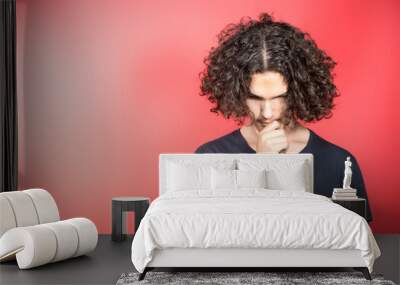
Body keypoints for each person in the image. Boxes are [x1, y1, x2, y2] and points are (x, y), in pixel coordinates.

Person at [194, 12, 372, 222]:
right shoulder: (209, 158)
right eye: (255, 98)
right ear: (236, 92)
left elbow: (357, 245)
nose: (268, 113)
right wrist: (260, 165)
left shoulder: (339, 162)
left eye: (280, 98)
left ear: (300, 91)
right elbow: (212, 234)